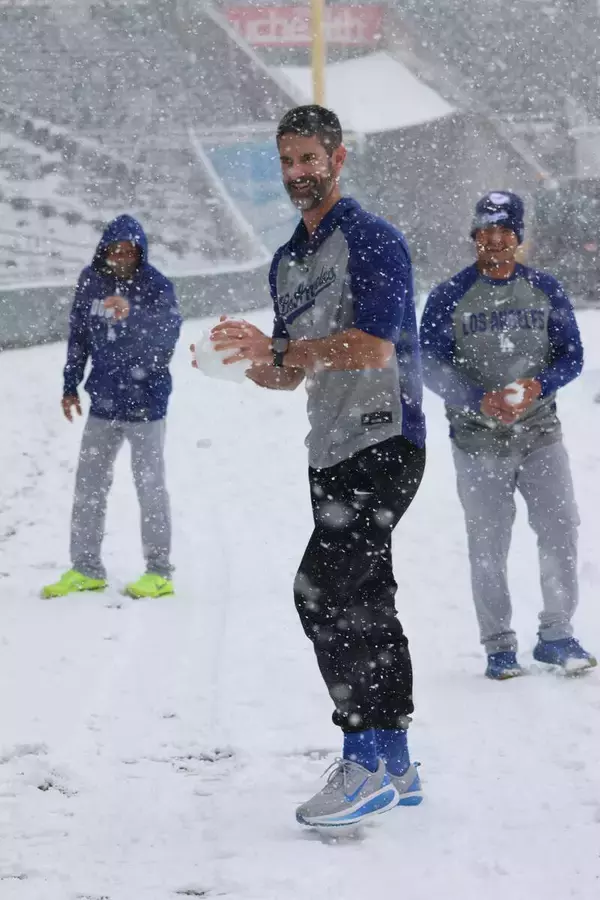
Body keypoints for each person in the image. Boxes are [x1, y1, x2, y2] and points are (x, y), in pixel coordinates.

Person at [201, 106, 426, 829]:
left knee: (320, 592)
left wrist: (285, 352)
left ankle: (361, 761)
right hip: (329, 449)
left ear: (338, 158)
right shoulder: (286, 261)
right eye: (288, 161)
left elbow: (373, 347)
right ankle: (395, 761)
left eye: (310, 159)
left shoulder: (372, 239)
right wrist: (245, 362)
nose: (299, 173)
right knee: (367, 598)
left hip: (384, 437)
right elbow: (289, 373)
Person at [420, 191, 596, 679]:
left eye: (504, 232)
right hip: (478, 441)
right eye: (485, 232)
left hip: (540, 433)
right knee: (489, 542)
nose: (494, 241)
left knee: (561, 530)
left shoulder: (545, 290)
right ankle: (498, 644)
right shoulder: (449, 296)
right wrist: (477, 397)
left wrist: (542, 383)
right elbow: (429, 363)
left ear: (518, 237)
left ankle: (557, 634)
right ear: (473, 236)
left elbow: (572, 355)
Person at [42, 214, 182, 600]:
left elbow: (165, 341)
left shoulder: (156, 286)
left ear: (140, 251)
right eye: (115, 249)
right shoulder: (92, 281)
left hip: (145, 406)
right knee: (88, 486)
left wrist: (131, 316)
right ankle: (86, 568)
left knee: (149, 487)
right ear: (104, 250)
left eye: (129, 250)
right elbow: (79, 336)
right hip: (102, 402)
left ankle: (159, 572)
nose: (121, 256)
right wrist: (70, 385)